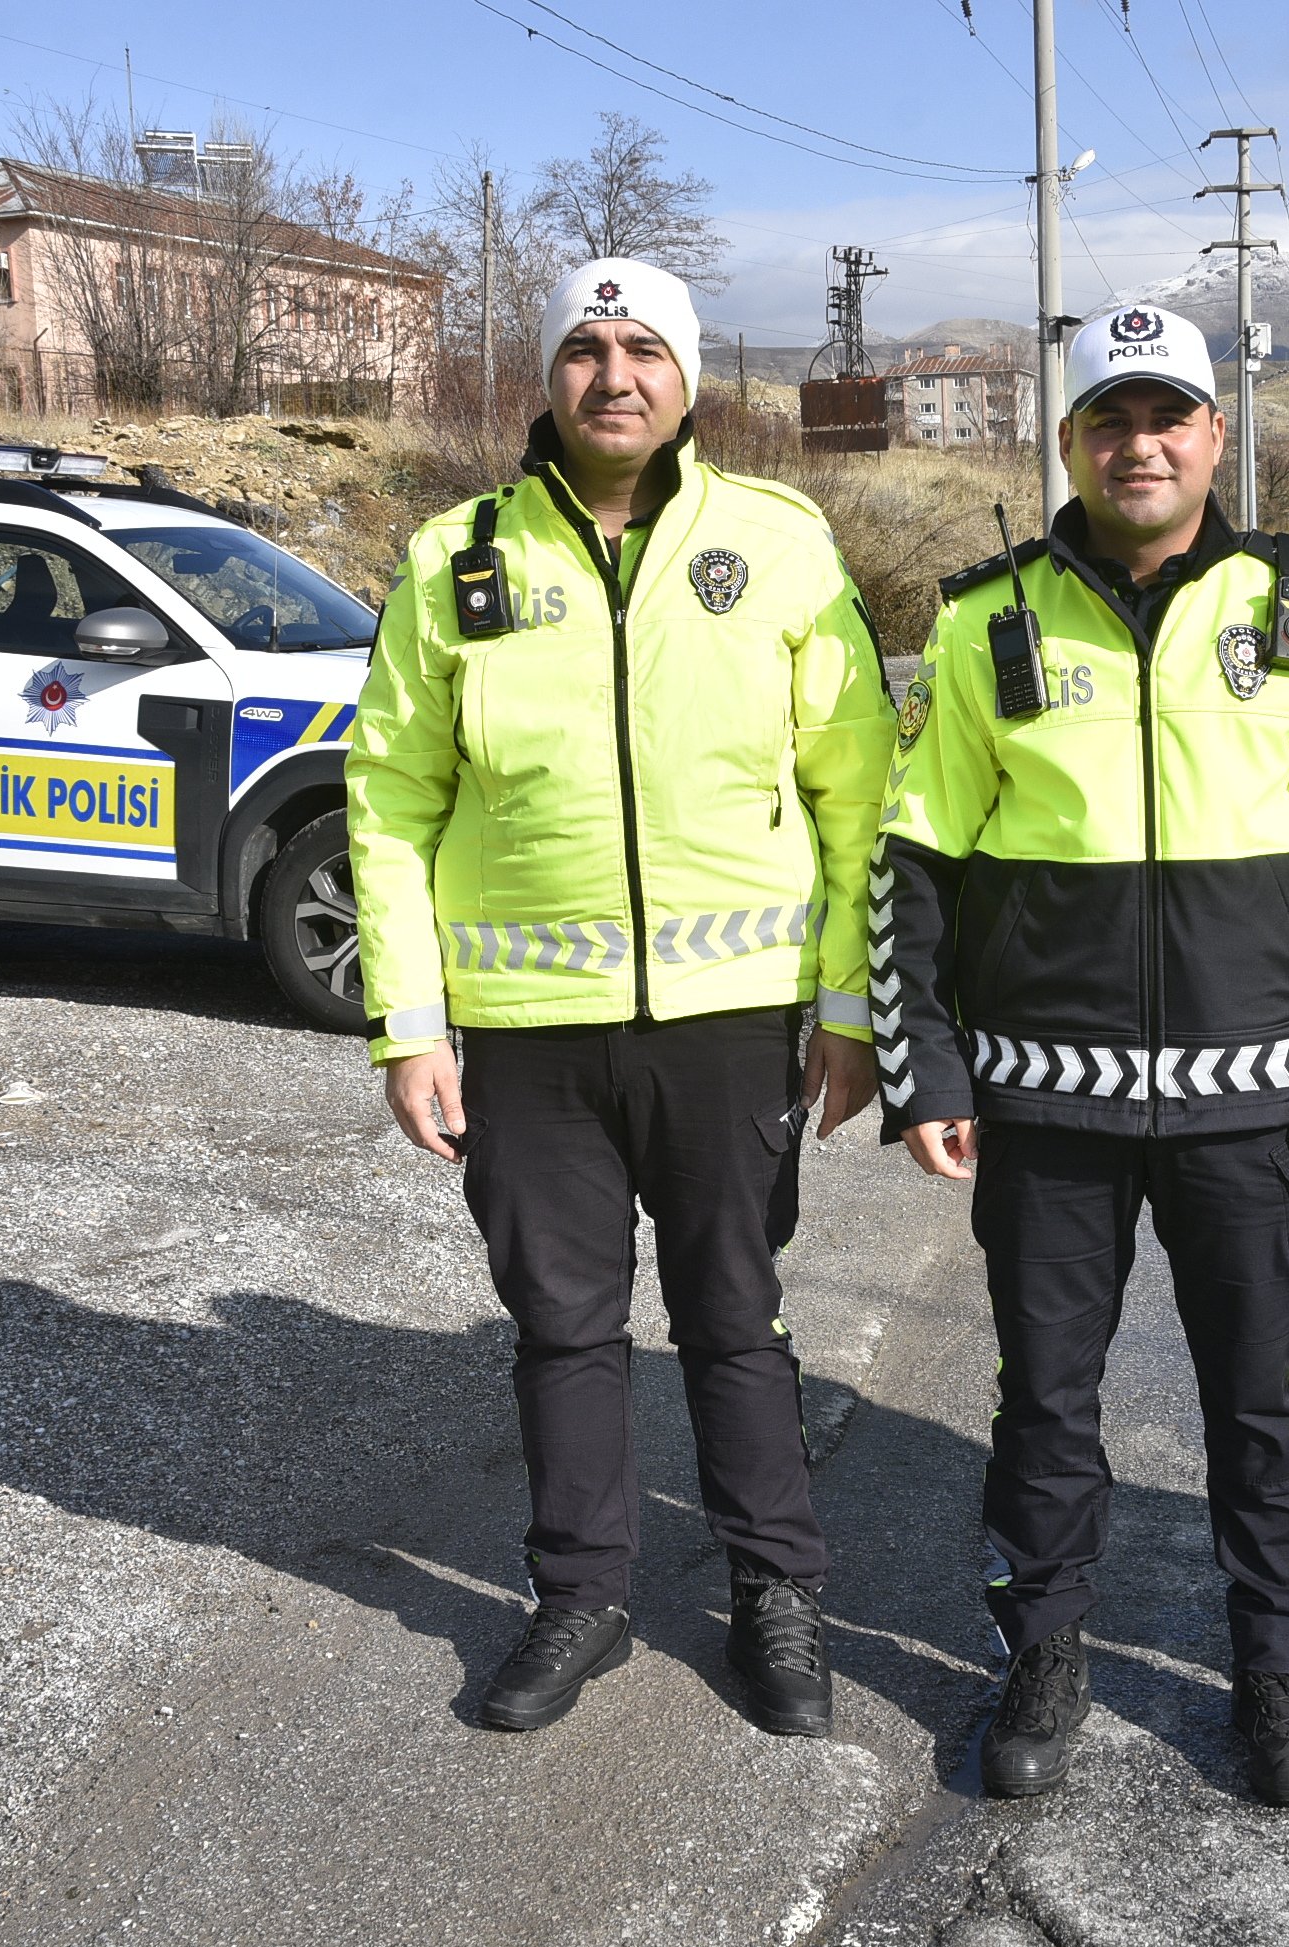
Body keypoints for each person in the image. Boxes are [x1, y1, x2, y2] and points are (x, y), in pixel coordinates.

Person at [871, 305, 1289, 1805]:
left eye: (1168, 413)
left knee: (1259, 1401)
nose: (1142, 443)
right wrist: (927, 1069)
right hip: (1050, 1114)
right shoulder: (987, 622)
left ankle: (1273, 1674)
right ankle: (1042, 1654)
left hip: (1252, 1119)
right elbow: (913, 861)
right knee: (1046, 1401)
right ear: (1071, 442)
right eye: (1111, 418)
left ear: (1215, 436)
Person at [347, 257, 895, 1739]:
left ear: (689, 376)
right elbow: (391, 799)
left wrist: (849, 1008)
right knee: (564, 1331)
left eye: (644, 349)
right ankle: (580, 1599)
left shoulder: (777, 544)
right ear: (549, 377)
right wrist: (411, 1024)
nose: (614, 376)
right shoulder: (454, 559)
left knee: (736, 1320)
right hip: (532, 1037)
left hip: (732, 1019)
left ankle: (777, 1595)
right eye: (585, 350)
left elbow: (858, 793)